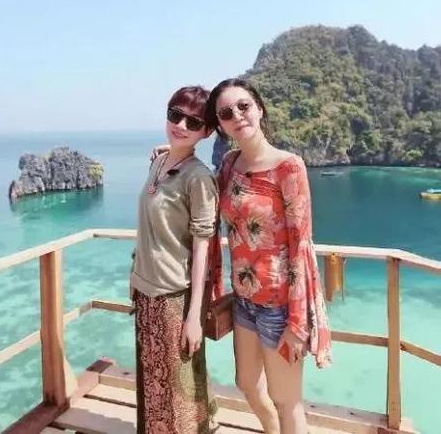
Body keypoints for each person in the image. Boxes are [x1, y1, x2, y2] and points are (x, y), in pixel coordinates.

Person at [206, 78, 332, 434]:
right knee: (246, 383)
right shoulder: (229, 165)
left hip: (279, 305)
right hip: (244, 300)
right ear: (221, 126)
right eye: (226, 113)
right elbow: (202, 194)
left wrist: (297, 323)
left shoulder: (288, 167)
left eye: (243, 106)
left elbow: (300, 245)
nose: (237, 115)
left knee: (286, 399)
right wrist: (173, 153)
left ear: (259, 109)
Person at [130, 85, 222, 433]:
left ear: (206, 131)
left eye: (193, 122)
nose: (181, 125)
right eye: (175, 115)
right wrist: (135, 276)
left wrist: (194, 316)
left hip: (174, 296)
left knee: (180, 390)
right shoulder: (159, 161)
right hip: (146, 292)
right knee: (152, 381)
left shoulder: (199, 178)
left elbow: (202, 249)